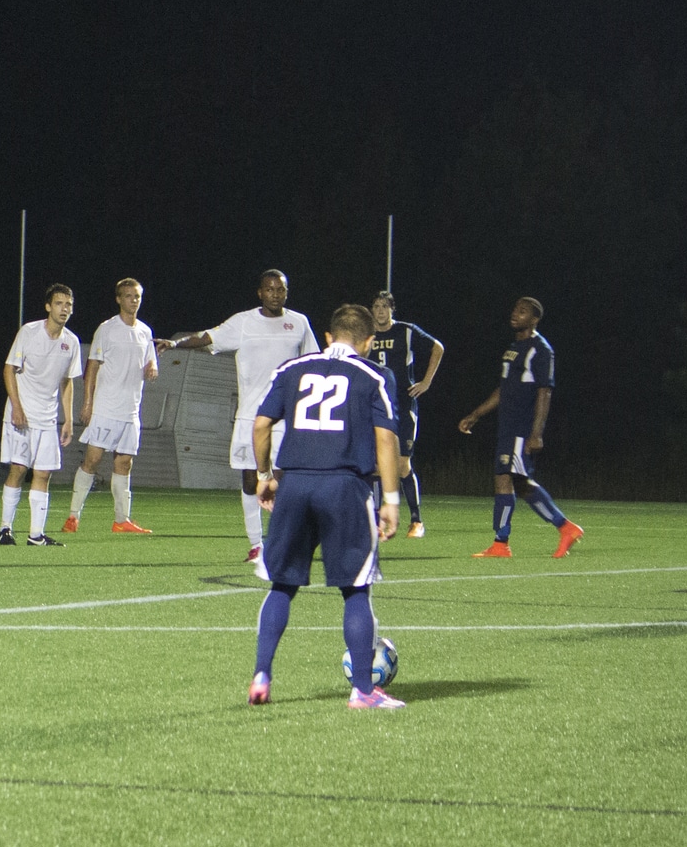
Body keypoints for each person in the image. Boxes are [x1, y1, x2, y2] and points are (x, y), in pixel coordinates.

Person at [245, 301, 406, 710]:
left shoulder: (291, 369)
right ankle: (365, 693)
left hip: (295, 484)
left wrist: (265, 476)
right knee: (355, 590)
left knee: (282, 584)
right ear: (369, 342)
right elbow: (386, 439)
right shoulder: (375, 374)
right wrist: (390, 499)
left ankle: (262, 674)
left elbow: (261, 424)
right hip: (345, 487)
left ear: (329, 337)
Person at [160, 269, 319, 572]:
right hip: (250, 415)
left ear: (287, 292)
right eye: (270, 289)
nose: (275, 294)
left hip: (285, 417)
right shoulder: (244, 322)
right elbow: (208, 337)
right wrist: (176, 343)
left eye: (280, 290)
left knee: (284, 480)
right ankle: (256, 544)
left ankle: (284, 540)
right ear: (260, 292)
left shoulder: (299, 323)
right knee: (249, 480)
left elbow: (312, 361)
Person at [457, 296, 584, 558]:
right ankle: (559, 529)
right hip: (508, 425)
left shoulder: (541, 349)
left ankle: (505, 542)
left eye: (523, 311)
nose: (515, 313)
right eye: (515, 309)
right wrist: (477, 414)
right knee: (516, 481)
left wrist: (536, 433)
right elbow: (504, 389)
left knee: (508, 479)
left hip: (521, 427)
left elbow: (544, 392)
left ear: (535, 319)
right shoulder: (513, 348)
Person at [64, 278, 156, 534]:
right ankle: (73, 516)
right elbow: (92, 366)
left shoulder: (145, 332)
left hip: (131, 411)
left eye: (137, 295)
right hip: (106, 408)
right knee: (92, 460)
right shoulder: (107, 329)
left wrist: (153, 367)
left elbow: (151, 363)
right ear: (118, 299)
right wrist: (88, 403)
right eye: (128, 296)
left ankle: (121, 520)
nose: (133, 300)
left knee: (124, 464)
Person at [0, 284, 83, 545]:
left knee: (44, 473)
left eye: (68, 304)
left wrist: (67, 419)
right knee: (18, 469)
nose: (64, 309)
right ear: (48, 306)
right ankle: (5, 528)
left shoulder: (72, 341)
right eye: (59, 304)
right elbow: (9, 369)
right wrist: (17, 408)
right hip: (21, 414)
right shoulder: (29, 332)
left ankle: (35, 535)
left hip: (47, 418)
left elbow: (67, 382)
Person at [366, 291, 444, 537]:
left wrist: (426, 382)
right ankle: (378, 520)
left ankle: (416, 521)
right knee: (375, 466)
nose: (380, 311)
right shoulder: (366, 334)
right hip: (375, 406)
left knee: (401, 465)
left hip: (402, 404)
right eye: (376, 306)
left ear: (392, 310)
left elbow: (437, 348)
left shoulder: (406, 331)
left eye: (384, 307)